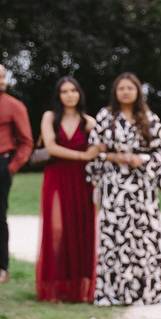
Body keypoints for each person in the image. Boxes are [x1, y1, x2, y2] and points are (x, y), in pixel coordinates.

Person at [86, 72, 161, 306]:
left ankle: (148, 291)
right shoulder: (105, 116)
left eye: (130, 88)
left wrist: (139, 160)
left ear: (137, 92)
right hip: (115, 185)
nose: (125, 92)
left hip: (142, 187)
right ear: (115, 91)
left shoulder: (149, 118)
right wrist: (115, 156)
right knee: (115, 236)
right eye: (121, 88)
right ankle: (114, 292)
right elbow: (94, 152)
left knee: (143, 236)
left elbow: (159, 153)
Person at [36, 76, 99, 302]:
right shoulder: (50, 117)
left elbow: (100, 146)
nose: (70, 95)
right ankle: (56, 286)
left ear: (79, 93)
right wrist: (83, 155)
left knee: (81, 228)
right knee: (57, 229)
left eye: (73, 90)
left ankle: (80, 287)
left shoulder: (88, 121)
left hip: (82, 180)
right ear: (58, 95)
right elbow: (51, 147)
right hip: (57, 177)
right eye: (64, 91)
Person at [0, 63, 33, 285]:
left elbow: (26, 141)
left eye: (1, 76)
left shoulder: (14, 106)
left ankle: (2, 267)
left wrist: (11, 167)